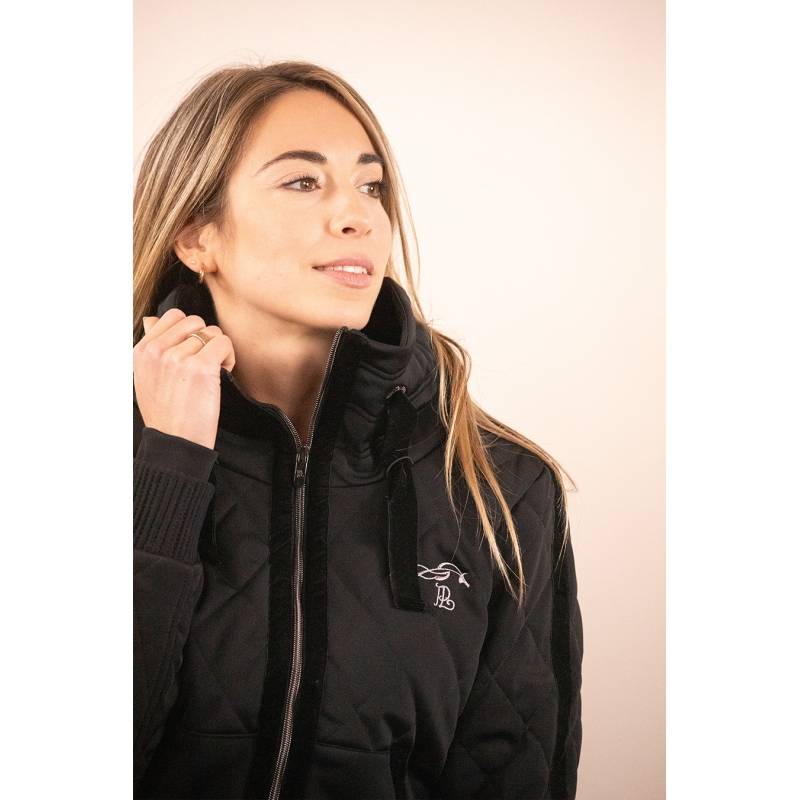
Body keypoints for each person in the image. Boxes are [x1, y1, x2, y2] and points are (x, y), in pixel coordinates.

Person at [133, 60, 583, 800]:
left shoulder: (503, 488)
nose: (359, 217)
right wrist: (170, 465)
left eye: (371, 187)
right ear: (197, 238)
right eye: (302, 181)